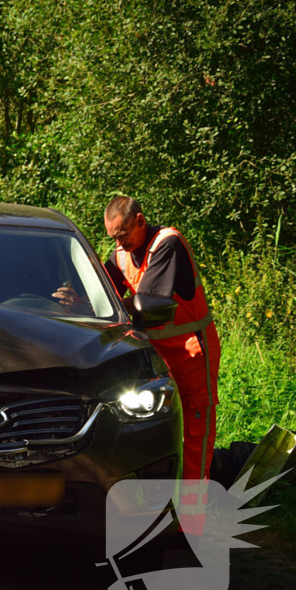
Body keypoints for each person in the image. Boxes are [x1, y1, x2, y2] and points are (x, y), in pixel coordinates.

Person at [57, 195, 221, 535]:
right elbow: (104, 298)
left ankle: (190, 524)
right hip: (151, 354)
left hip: (190, 351)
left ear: (140, 221)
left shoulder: (168, 244)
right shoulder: (119, 255)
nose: (118, 242)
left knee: (195, 431)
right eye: (113, 236)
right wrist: (78, 300)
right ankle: (151, 513)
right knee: (149, 430)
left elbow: (142, 301)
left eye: (123, 234)